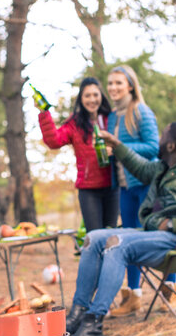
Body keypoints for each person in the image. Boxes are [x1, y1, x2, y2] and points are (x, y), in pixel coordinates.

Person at [66, 122, 176, 336]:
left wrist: (172, 223)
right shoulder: (165, 166)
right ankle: (78, 313)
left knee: (116, 245)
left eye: (163, 135)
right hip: (155, 233)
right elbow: (140, 169)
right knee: (93, 238)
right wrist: (117, 145)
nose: (159, 138)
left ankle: (93, 324)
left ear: (170, 145)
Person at [106, 64, 166, 316]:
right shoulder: (112, 116)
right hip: (124, 186)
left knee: (158, 234)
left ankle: (169, 290)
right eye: (110, 83)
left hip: (146, 184)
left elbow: (154, 147)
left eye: (119, 83)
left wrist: (120, 147)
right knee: (128, 238)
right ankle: (134, 296)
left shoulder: (141, 111)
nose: (113, 88)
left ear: (130, 85)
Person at [37, 77, 119, 232]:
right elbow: (54, 141)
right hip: (89, 190)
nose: (92, 99)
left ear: (101, 96)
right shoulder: (75, 123)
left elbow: (124, 143)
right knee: (95, 237)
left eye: (95, 95)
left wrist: (114, 150)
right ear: (81, 99)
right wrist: (44, 113)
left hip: (113, 187)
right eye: (87, 96)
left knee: (111, 235)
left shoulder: (111, 119)